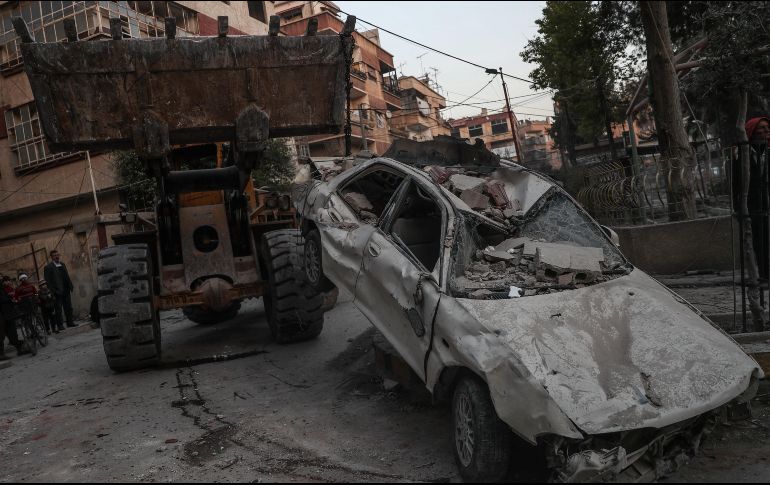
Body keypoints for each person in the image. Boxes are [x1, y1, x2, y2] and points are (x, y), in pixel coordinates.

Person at [732, 117, 770, 281]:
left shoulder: (767, 151)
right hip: (752, 205)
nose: (767, 131)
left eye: (768, 127)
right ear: (753, 131)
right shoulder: (741, 154)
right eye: (762, 128)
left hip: (767, 202)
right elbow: (736, 182)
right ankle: (764, 275)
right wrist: (738, 208)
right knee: (759, 241)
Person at [43, 250, 77, 330]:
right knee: (58, 309)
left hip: (66, 289)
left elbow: (66, 275)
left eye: (58, 255)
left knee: (68, 307)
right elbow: (48, 281)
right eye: (55, 255)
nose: (57, 256)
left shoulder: (62, 264)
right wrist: (53, 291)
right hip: (57, 291)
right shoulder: (48, 267)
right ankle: (60, 325)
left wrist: (70, 285)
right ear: (51, 257)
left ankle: (70, 322)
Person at [0, 276, 28, 359]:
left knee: (12, 331)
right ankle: (1, 354)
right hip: (1, 313)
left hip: (7, 312)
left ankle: (20, 349)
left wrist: (12, 300)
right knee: (1, 333)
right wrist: (9, 299)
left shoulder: (2, 286)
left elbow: (5, 295)